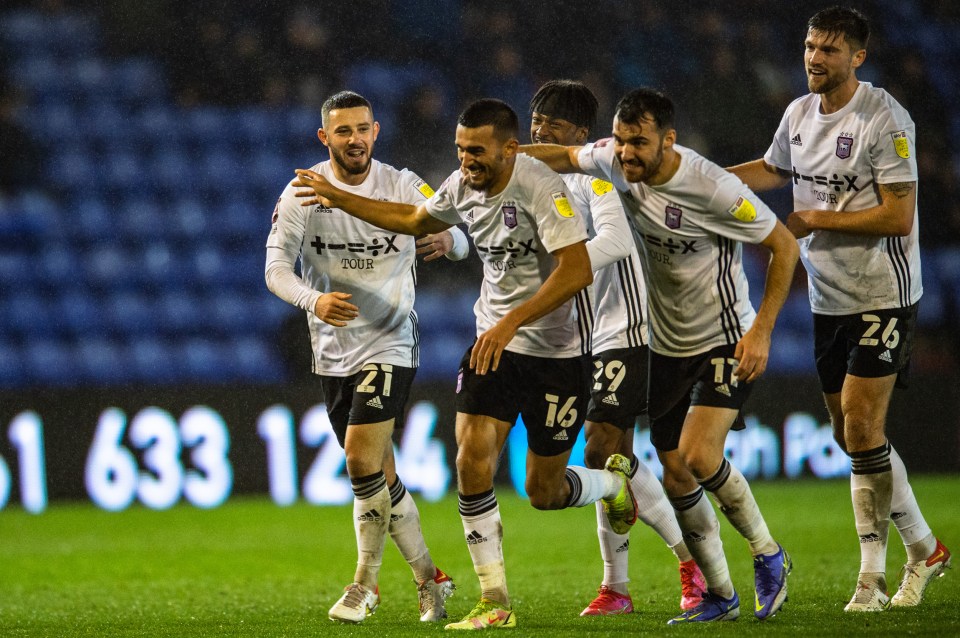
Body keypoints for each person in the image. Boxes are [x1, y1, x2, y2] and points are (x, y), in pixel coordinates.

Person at [292, 97, 641, 631]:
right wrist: (339, 196)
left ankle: (613, 487)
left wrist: (513, 321)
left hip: (557, 352)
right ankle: (493, 599)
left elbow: (575, 271)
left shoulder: (543, 188)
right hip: (492, 344)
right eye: (459, 150)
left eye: (476, 151)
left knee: (543, 492)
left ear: (509, 149)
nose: (465, 161)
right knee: (471, 459)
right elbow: (412, 218)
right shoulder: (461, 185)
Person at [521, 87, 799, 624]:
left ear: (668, 141)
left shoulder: (711, 186)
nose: (627, 154)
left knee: (695, 456)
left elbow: (783, 245)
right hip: (667, 343)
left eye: (639, 144)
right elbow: (556, 155)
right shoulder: (611, 160)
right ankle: (718, 593)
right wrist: (495, 156)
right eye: (622, 141)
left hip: (724, 334)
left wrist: (761, 331)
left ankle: (767, 553)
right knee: (675, 472)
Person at [728, 6, 951, 612]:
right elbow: (774, 171)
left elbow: (897, 214)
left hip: (884, 294)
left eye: (828, 49)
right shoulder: (798, 114)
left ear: (858, 56)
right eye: (809, 46)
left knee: (858, 425)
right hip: (829, 297)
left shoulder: (883, 117)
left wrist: (812, 219)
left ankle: (870, 580)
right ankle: (926, 547)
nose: (813, 58)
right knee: (853, 436)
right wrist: (701, 182)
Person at [265, 90, 469, 624]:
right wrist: (314, 299)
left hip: (391, 339)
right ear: (324, 138)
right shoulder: (301, 193)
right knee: (377, 472)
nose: (354, 139)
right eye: (343, 131)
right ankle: (430, 579)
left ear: (375, 132)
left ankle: (364, 585)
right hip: (332, 351)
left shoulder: (403, 185)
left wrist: (451, 245)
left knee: (359, 459)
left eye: (362, 129)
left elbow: (463, 234)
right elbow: (275, 270)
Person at [528, 79, 706, 617]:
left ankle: (681, 564)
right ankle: (623, 588)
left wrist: (559, 277)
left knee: (603, 451)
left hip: (627, 327)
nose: (540, 135)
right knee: (617, 461)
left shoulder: (594, 180)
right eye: (536, 125)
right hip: (584, 336)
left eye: (553, 129)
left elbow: (616, 242)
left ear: (580, 136)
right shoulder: (537, 183)